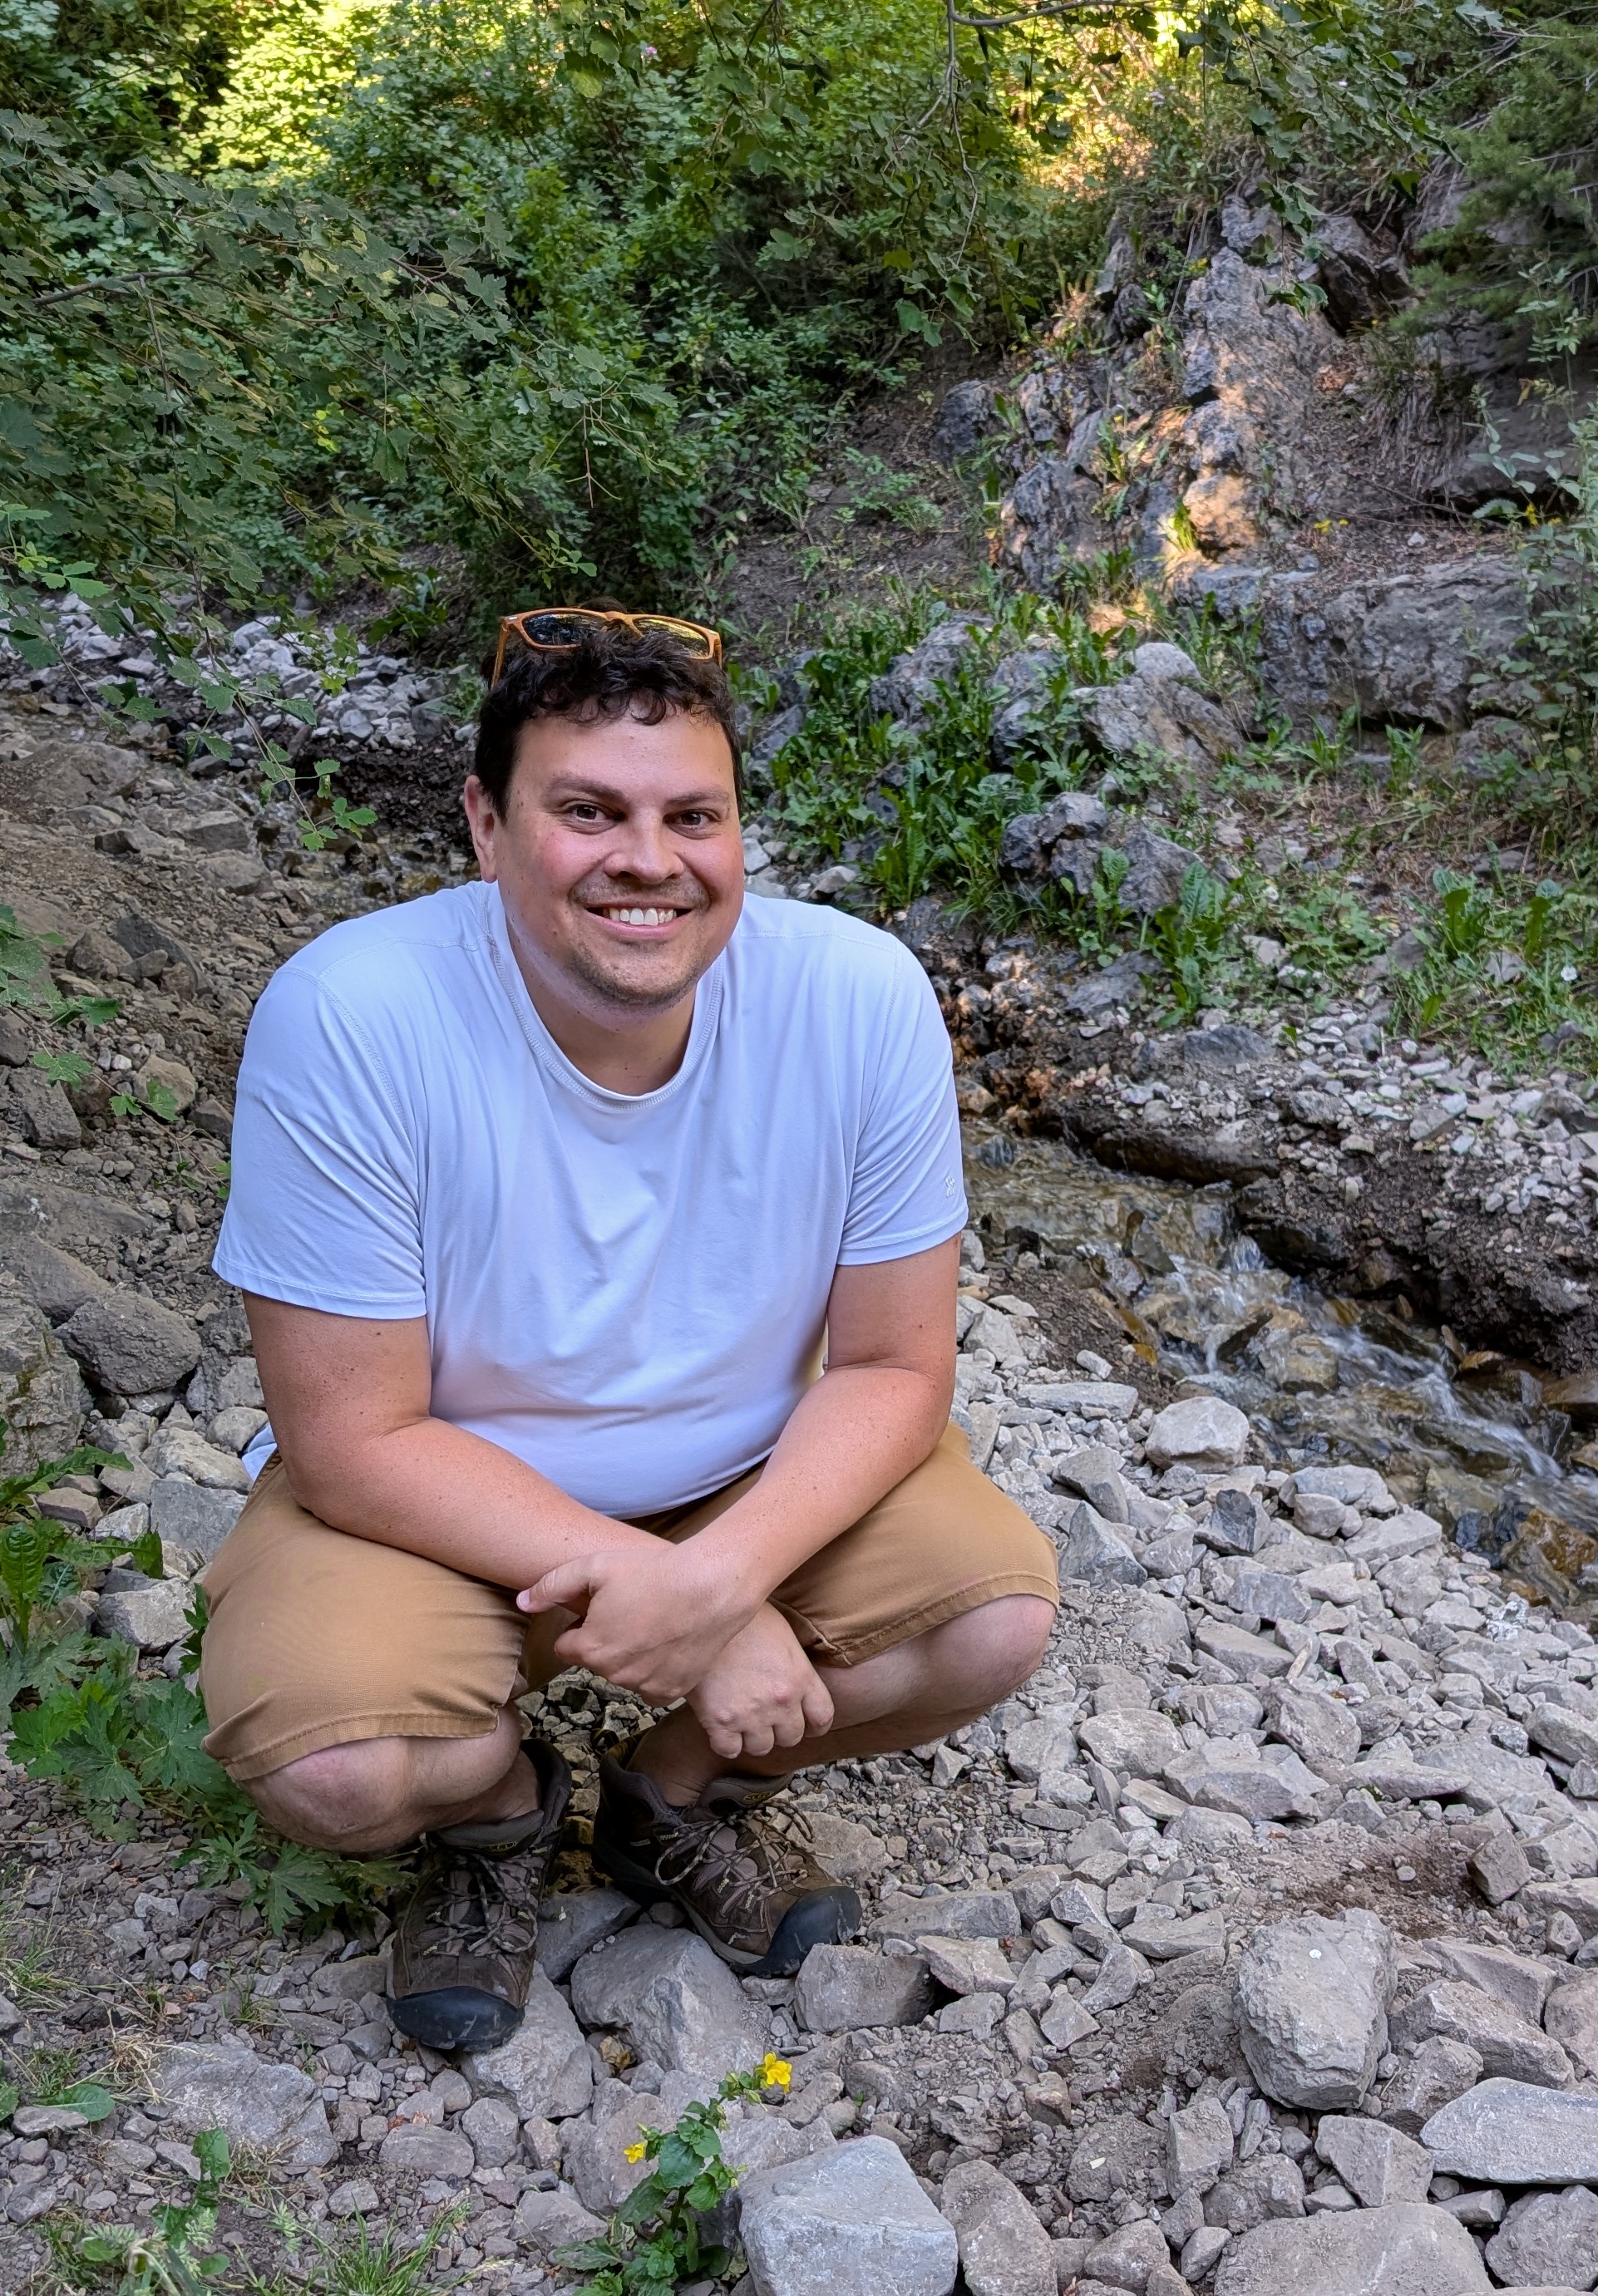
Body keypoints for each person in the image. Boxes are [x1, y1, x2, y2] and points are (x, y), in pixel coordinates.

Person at [195, 606, 1059, 2055]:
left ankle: (669, 1793)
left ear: (737, 835)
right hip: (434, 1508)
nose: (648, 860)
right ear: (486, 825)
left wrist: (722, 1577)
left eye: (691, 816)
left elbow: (895, 1366)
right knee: (339, 1765)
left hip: (738, 1478)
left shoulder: (859, 1000)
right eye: (587, 812)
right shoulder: (350, 1017)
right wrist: (696, 1609)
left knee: (989, 1621)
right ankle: (496, 1814)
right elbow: (350, 1439)